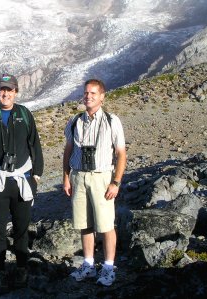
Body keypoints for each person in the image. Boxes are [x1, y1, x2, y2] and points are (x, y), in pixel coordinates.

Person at [0, 73, 44, 292]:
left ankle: (21, 267)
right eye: (2, 89)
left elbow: (35, 144)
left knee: (22, 227)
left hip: (22, 179)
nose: (6, 93)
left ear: (16, 92)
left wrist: (37, 175)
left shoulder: (24, 114)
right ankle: (1, 269)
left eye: (10, 90)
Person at [62, 79, 126, 287]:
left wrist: (116, 181)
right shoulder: (75, 121)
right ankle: (88, 265)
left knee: (106, 224)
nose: (88, 96)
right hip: (79, 176)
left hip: (102, 177)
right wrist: (66, 177)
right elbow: (68, 150)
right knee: (85, 223)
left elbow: (121, 153)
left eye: (93, 93)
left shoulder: (111, 120)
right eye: (86, 93)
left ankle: (108, 267)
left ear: (102, 96)